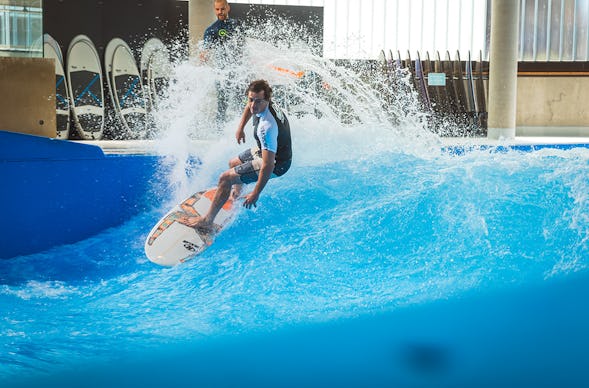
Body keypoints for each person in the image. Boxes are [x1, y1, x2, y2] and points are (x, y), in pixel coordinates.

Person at [179, 80, 292, 232]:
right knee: (233, 163)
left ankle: (207, 221)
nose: (253, 105)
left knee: (225, 178)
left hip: (278, 164)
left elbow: (268, 165)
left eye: (258, 101)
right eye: (251, 99)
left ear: (267, 100)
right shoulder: (262, 105)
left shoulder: (267, 126)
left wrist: (256, 193)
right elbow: (249, 108)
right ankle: (236, 195)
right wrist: (240, 128)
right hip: (273, 151)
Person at [201, 0, 240, 126]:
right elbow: (205, 49)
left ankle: (243, 127)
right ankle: (219, 131)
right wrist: (204, 55)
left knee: (242, 100)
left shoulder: (237, 24)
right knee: (222, 103)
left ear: (228, 8)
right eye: (217, 9)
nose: (220, 12)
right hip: (222, 72)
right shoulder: (211, 30)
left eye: (222, 9)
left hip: (240, 69)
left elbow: (244, 44)